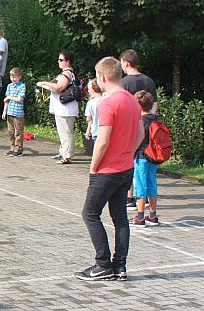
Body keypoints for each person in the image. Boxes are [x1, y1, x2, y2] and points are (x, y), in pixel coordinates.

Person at [76, 56, 143, 282]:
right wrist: (128, 153)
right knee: (120, 217)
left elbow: (102, 141)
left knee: (90, 213)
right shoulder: (133, 101)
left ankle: (103, 264)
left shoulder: (108, 103)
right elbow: (140, 135)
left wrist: (93, 167)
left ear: (102, 77)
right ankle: (120, 266)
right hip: (126, 169)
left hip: (107, 170)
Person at [120, 49, 158, 210]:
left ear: (127, 63)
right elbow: (154, 102)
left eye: (121, 63)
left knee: (131, 161)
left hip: (131, 125)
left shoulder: (124, 82)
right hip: (149, 124)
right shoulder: (149, 81)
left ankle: (131, 197)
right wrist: (150, 118)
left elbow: (121, 104)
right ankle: (146, 199)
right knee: (148, 163)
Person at [36, 50, 79, 165]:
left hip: (66, 108)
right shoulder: (64, 73)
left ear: (68, 61)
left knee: (66, 132)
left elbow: (59, 87)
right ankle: (63, 152)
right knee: (62, 132)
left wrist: (44, 83)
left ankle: (67, 156)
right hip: (63, 108)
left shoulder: (67, 73)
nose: (58, 62)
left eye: (61, 60)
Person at [129, 90, 161, 228]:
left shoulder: (140, 121)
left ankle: (140, 216)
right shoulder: (156, 119)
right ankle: (153, 215)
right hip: (153, 156)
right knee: (152, 183)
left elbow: (135, 139)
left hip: (141, 156)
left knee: (140, 185)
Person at [2, 67, 26, 157]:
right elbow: (6, 101)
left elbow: (20, 99)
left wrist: (9, 97)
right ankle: (12, 148)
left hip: (18, 113)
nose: (13, 79)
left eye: (15, 77)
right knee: (10, 132)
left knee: (18, 132)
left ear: (19, 77)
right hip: (10, 112)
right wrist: (5, 111)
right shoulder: (9, 86)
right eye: (11, 77)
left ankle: (18, 149)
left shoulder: (22, 86)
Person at [84, 79, 106, 146]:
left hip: (96, 131)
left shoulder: (90, 103)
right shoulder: (107, 98)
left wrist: (88, 131)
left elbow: (89, 119)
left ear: (92, 90)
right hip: (107, 131)